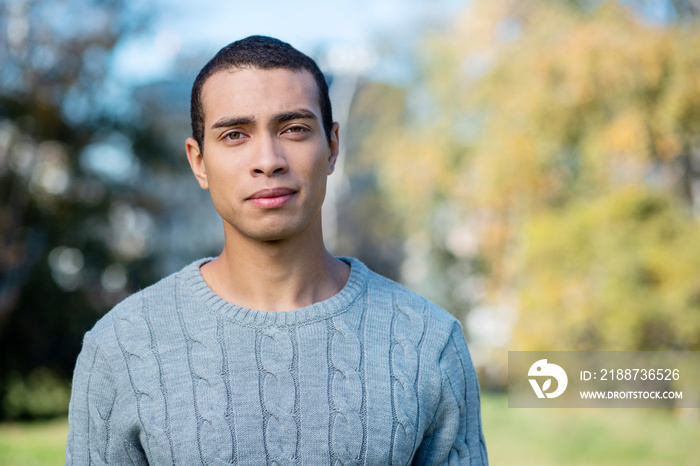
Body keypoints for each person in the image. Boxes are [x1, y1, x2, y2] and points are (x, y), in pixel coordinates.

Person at [66, 35, 488, 465]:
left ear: (332, 147)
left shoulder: (428, 342)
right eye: (234, 134)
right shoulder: (121, 347)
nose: (267, 160)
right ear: (198, 162)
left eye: (294, 129)